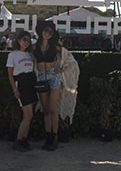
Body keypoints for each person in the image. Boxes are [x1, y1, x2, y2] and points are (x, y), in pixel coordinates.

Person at [33, 21, 79, 151]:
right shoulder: (35, 46)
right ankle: (48, 137)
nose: (47, 34)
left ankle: (54, 137)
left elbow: (69, 58)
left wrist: (62, 68)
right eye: (46, 31)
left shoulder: (56, 47)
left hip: (54, 77)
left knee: (53, 109)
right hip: (41, 77)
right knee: (46, 109)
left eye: (50, 32)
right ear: (41, 31)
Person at [6, 31, 37, 152]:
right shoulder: (13, 55)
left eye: (28, 40)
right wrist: (15, 90)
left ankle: (24, 139)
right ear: (18, 40)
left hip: (31, 83)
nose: (26, 42)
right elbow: (10, 75)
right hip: (22, 84)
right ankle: (18, 140)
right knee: (28, 115)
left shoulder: (30, 55)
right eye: (24, 39)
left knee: (29, 115)